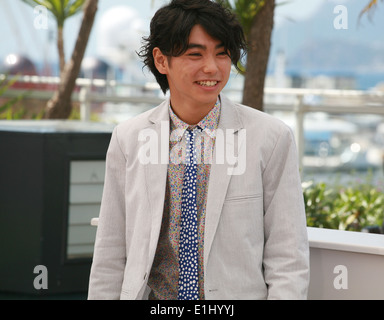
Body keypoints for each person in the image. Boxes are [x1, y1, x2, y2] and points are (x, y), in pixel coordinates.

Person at [88, 0, 310, 300]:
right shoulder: (128, 138)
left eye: (222, 53)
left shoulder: (271, 138)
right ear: (161, 60)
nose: (212, 67)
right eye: (195, 54)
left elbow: (288, 256)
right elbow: (110, 250)